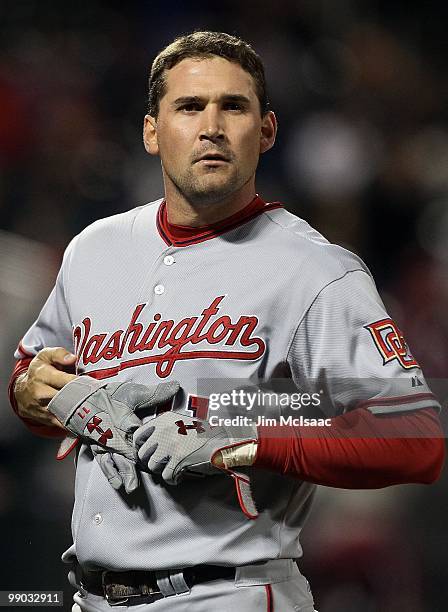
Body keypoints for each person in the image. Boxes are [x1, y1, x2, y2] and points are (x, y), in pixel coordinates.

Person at [9, 31, 445, 612]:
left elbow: (415, 437)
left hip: (227, 591)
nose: (211, 125)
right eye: (189, 107)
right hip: (88, 594)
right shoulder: (94, 249)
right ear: (151, 131)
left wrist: (246, 433)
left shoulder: (315, 270)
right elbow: (31, 382)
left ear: (266, 131)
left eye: (233, 106)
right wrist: (35, 392)